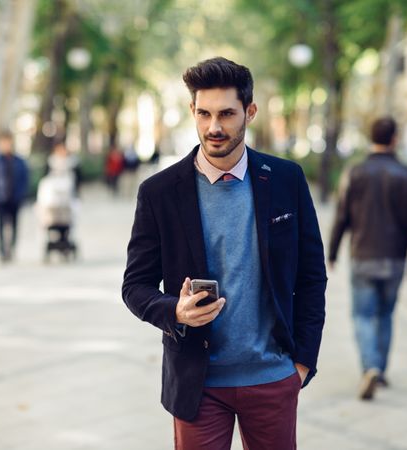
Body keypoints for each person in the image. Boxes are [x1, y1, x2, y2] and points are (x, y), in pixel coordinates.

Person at [122, 57, 327, 449]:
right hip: (199, 384)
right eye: (204, 113)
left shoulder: (287, 179)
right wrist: (175, 312)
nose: (214, 127)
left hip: (273, 377)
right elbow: (135, 286)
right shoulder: (160, 191)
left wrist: (301, 362)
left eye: (227, 114)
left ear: (250, 112)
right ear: (192, 112)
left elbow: (311, 275)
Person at [328, 117, 407, 401]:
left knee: (362, 314)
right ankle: (379, 369)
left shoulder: (355, 172)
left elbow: (342, 214)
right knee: (385, 314)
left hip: (363, 254)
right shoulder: (406, 174)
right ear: (394, 139)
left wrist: (332, 251)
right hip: (395, 256)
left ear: (371, 137)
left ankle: (369, 365)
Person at [0, 130, 29, 262]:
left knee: (14, 225)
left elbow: (25, 179)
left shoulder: (19, 161)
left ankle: (12, 249)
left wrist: (21, 194)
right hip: (0, 199)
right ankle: (2, 251)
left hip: (15, 199)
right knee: (0, 226)